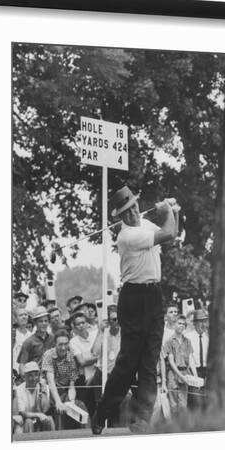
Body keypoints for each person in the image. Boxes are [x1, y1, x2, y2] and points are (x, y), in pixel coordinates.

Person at [92, 186, 178, 434]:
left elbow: (171, 231)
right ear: (120, 217)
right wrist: (168, 211)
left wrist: (174, 211)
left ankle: (143, 418)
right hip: (132, 298)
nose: (132, 214)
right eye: (126, 212)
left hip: (154, 295)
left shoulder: (146, 223)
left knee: (149, 361)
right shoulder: (126, 236)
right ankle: (102, 413)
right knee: (128, 364)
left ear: (138, 205)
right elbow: (168, 233)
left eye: (133, 208)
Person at [41, 330, 88, 430]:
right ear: (55, 344)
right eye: (60, 344)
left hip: (65, 391)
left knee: (80, 406)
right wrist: (58, 402)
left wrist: (72, 401)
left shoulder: (71, 356)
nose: (63, 348)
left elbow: (71, 385)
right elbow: (51, 382)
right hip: (49, 391)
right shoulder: (48, 355)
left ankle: (87, 433)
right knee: (60, 410)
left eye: (66, 344)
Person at [163, 315, 198, 413]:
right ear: (174, 325)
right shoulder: (169, 341)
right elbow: (171, 361)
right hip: (173, 374)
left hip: (185, 373)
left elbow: (191, 359)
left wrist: (195, 377)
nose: (181, 326)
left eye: (183, 324)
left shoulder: (187, 341)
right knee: (173, 405)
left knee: (183, 405)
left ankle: (182, 426)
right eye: (179, 323)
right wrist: (180, 376)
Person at [69, 311, 99, 415]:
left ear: (87, 323)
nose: (81, 326)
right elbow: (81, 362)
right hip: (87, 380)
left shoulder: (96, 335)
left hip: (102, 375)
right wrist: (98, 358)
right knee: (92, 408)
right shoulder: (73, 342)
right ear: (74, 326)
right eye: (78, 324)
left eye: (83, 322)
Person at [13, 361, 54, 435]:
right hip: (25, 421)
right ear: (25, 377)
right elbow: (22, 413)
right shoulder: (19, 390)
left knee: (50, 419)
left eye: (36, 375)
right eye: (30, 375)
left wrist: (43, 392)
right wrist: (38, 415)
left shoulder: (43, 387)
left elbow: (45, 409)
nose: (34, 378)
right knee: (29, 422)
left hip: (40, 419)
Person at [17, 306, 54, 370]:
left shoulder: (53, 339)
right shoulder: (29, 342)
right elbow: (22, 365)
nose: (44, 323)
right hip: (36, 376)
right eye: (40, 321)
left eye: (46, 321)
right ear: (35, 323)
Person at [186, 309, 209, 379]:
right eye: (200, 322)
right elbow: (189, 357)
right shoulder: (188, 337)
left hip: (207, 370)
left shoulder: (208, 337)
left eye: (205, 321)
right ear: (194, 323)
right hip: (193, 370)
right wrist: (195, 376)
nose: (203, 325)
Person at [12, 307, 32, 381]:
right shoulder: (13, 334)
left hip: (29, 371)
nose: (24, 317)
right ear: (15, 319)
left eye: (25, 314)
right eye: (20, 315)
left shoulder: (31, 335)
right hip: (15, 371)